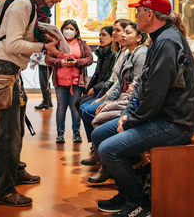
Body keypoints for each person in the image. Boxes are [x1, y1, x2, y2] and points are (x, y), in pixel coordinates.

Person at [92, 0, 194, 217]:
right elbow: (140, 85)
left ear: (150, 14)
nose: (135, 15)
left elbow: (156, 92)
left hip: (173, 123)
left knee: (109, 149)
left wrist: (131, 120)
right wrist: (128, 114)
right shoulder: (159, 39)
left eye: (138, 11)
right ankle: (129, 190)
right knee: (100, 134)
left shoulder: (168, 42)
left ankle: (138, 203)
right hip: (156, 117)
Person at [0, 0, 71, 207]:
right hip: (3, 70)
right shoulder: (24, 5)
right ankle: (3, 190)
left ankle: (15, 171)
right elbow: (13, 43)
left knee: (17, 130)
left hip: (12, 71)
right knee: (8, 134)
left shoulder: (34, 7)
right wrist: (44, 48)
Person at [84, 22, 148, 184]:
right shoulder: (127, 53)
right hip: (122, 98)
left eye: (128, 32)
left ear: (139, 38)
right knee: (96, 112)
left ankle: (112, 163)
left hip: (130, 101)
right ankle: (107, 159)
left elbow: (137, 85)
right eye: (123, 32)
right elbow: (119, 82)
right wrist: (108, 100)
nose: (123, 35)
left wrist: (115, 103)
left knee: (98, 120)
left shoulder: (141, 54)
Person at [77, 19, 130, 155]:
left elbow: (119, 82)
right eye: (113, 30)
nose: (115, 33)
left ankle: (101, 146)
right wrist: (102, 95)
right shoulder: (119, 52)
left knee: (88, 110)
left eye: (118, 30)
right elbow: (112, 78)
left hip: (122, 97)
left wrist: (103, 97)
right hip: (113, 92)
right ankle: (96, 146)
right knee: (82, 105)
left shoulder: (131, 53)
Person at [45, 19, 93, 143]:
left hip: (77, 83)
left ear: (76, 31)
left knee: (75, 108)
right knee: (61, 107)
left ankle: (76, 132)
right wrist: (60, 62)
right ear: (61, 31)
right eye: (66, 28)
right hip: (60, 82)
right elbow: (48, 59)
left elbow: (90, 59)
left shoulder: (82, 44)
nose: (69, 31)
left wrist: (77, 62)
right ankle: (60, 132)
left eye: (72, 29)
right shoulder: (56, 43)